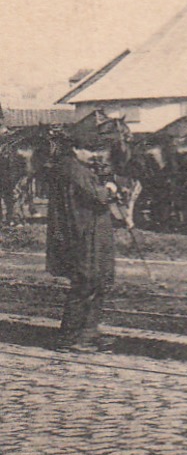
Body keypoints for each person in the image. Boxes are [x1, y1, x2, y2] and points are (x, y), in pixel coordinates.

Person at [45, 130, 124, 353]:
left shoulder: (79, 167)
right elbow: (97, 196)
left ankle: (88, 332)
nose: (93, 155)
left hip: (93, 232)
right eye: (89, 151)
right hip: (82, 235)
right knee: (84, 283)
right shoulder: (71, 168)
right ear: (77, 149)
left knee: (98, 282)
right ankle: (69, 337)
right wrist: (109, 188)